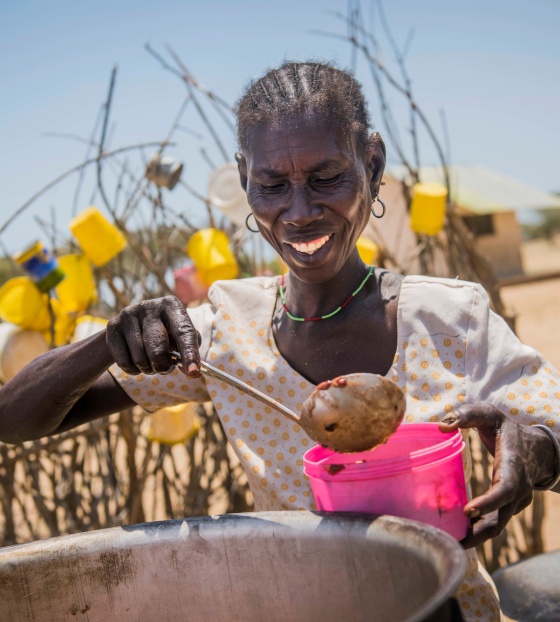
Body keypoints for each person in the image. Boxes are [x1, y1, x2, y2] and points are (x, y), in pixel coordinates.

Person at [0, 61, 559, 621]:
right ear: (245, 180)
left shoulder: (449, 319)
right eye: (271, 185)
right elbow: (15, 421)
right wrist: (106, 342)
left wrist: (536, 454)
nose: (299, 212)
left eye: (326, 178)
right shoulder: (220, 339)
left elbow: (550, 435)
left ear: (373, 163)